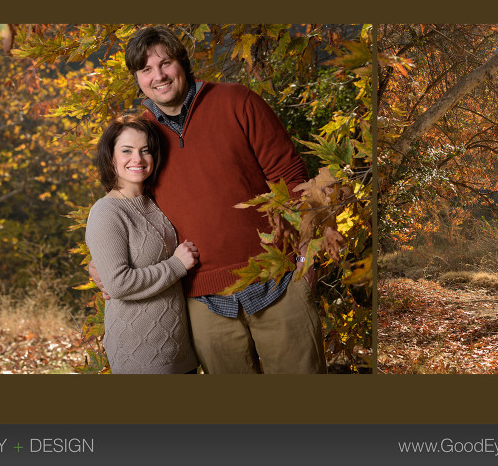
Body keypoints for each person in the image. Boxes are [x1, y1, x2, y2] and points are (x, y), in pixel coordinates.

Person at [89, 25, 327, 374]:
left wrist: (308, 251)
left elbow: (291, 177)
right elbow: (129, 207)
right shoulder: (143, 137)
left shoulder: (237, 101)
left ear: (182, 63)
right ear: (137, 78)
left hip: (278, 279)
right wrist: (101, 263)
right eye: (146, 70)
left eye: (165, 63)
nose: (159, 76)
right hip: (202, 300)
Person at [85, 114, 200, 374]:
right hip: (140, 352)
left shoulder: (154, 202)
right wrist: (176, 265)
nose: (137, 159)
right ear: (110, 157)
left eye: (144, 151)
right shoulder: (107, 211)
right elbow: (118, 283)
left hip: (179, 348)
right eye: (127, 151)